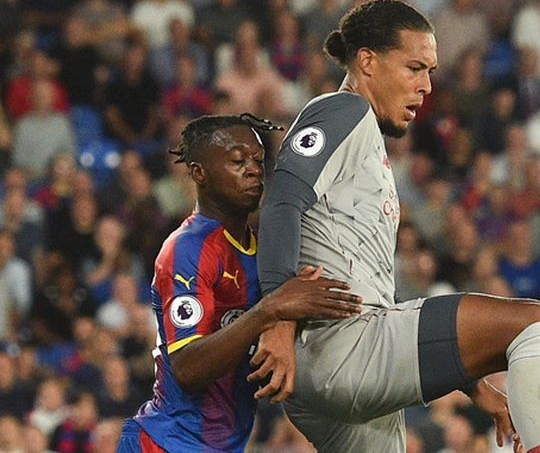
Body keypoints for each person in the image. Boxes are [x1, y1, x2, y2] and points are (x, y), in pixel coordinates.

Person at [256, 0, 540, 453]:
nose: (426, 86)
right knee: (534, 323)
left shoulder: (364, 141)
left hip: (332, 366)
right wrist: (277, 321)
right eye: (414, 67)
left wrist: (474, 384)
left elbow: (380, 294)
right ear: (367, 61)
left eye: (429, 71)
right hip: (343, 348)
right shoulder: (343, 112)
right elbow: (282, 200)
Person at [116, 114, 363, 452]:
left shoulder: (264, 249)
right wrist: (270, 309)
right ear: (198, 173)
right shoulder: (186, 249)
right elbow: (187, 368)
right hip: (166, 443)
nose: (253, 170)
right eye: (237, 160)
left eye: (259, 161)